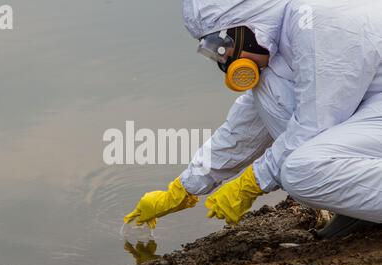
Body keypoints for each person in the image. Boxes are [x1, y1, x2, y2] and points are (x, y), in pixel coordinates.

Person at [124, 0, 382, 238]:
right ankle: (363, 215)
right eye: (212, 51)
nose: (224, 61)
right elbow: (244, 130)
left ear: (246, 25)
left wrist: (251, 183)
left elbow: (314, 125)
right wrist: (184, 187)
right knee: (275, 115)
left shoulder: (319, 20)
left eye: (221, 45)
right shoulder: (282, 39)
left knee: (300, 172)